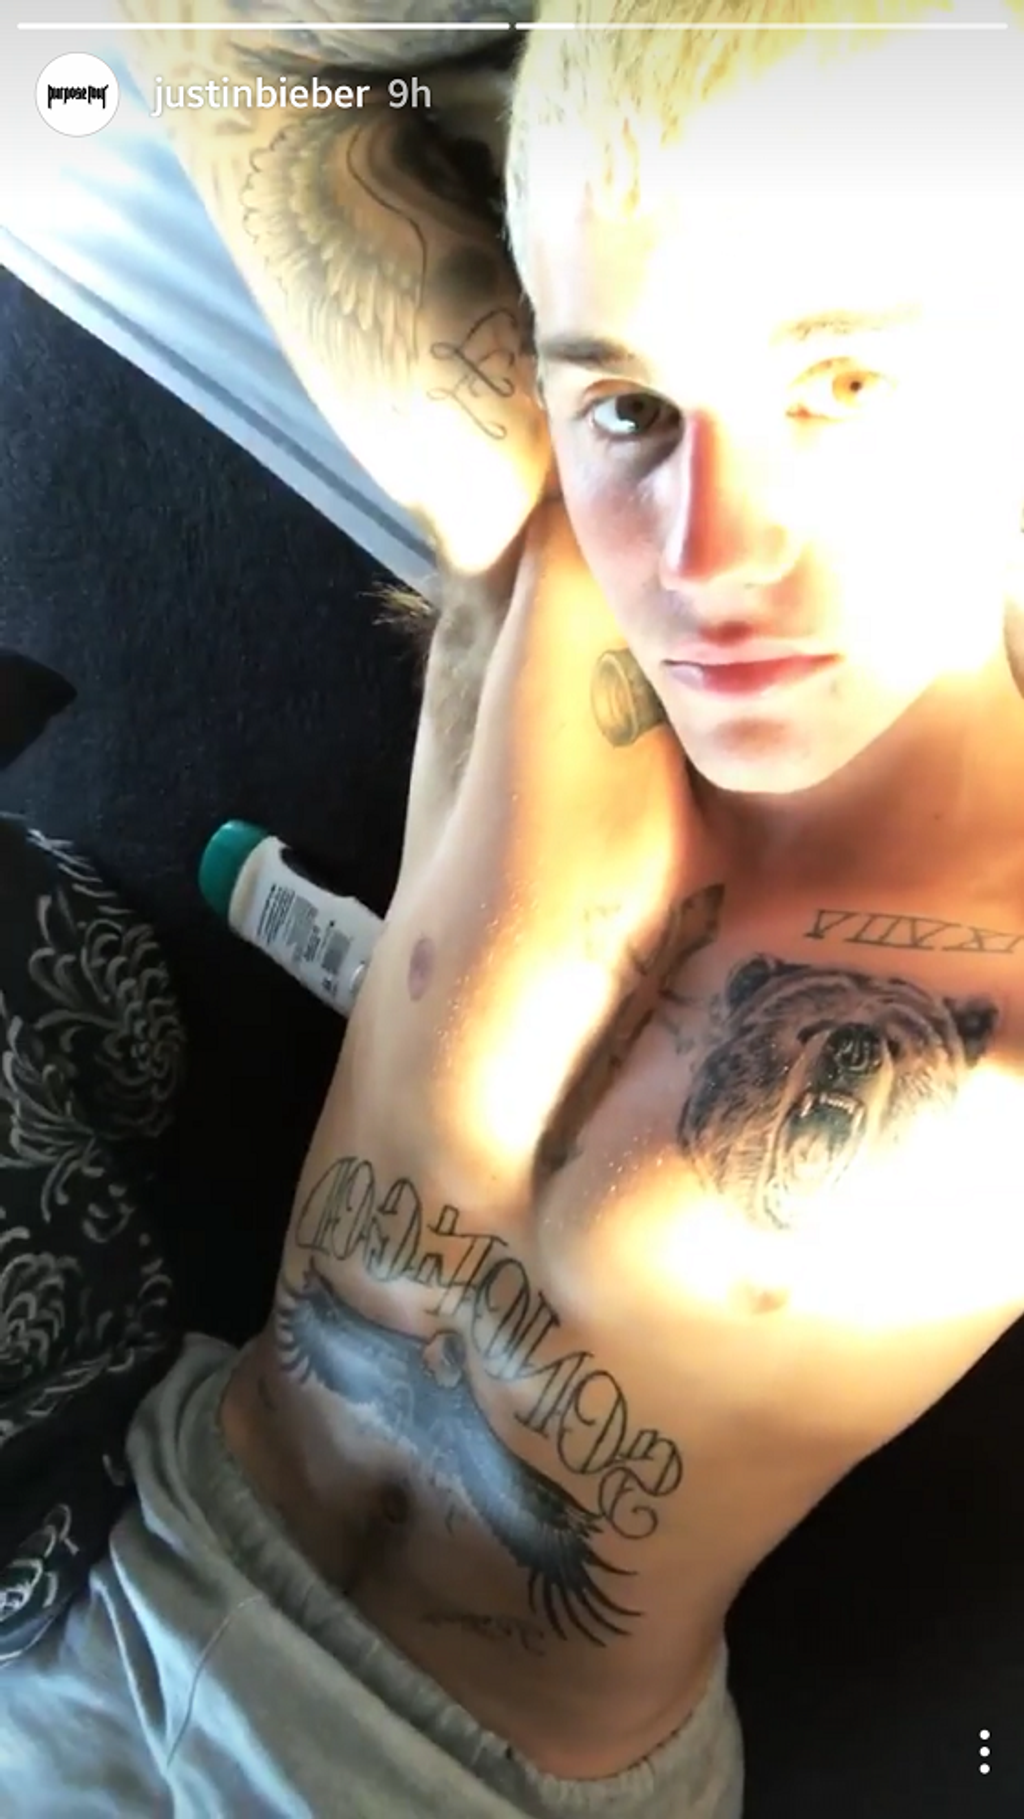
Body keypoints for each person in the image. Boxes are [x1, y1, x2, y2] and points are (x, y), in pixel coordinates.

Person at [5, 0, 1024, 1813]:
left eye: (843, 387)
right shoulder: (542, 540)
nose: (706, 557)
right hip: (140, 1552)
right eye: (632, 400)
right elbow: (196, 38)